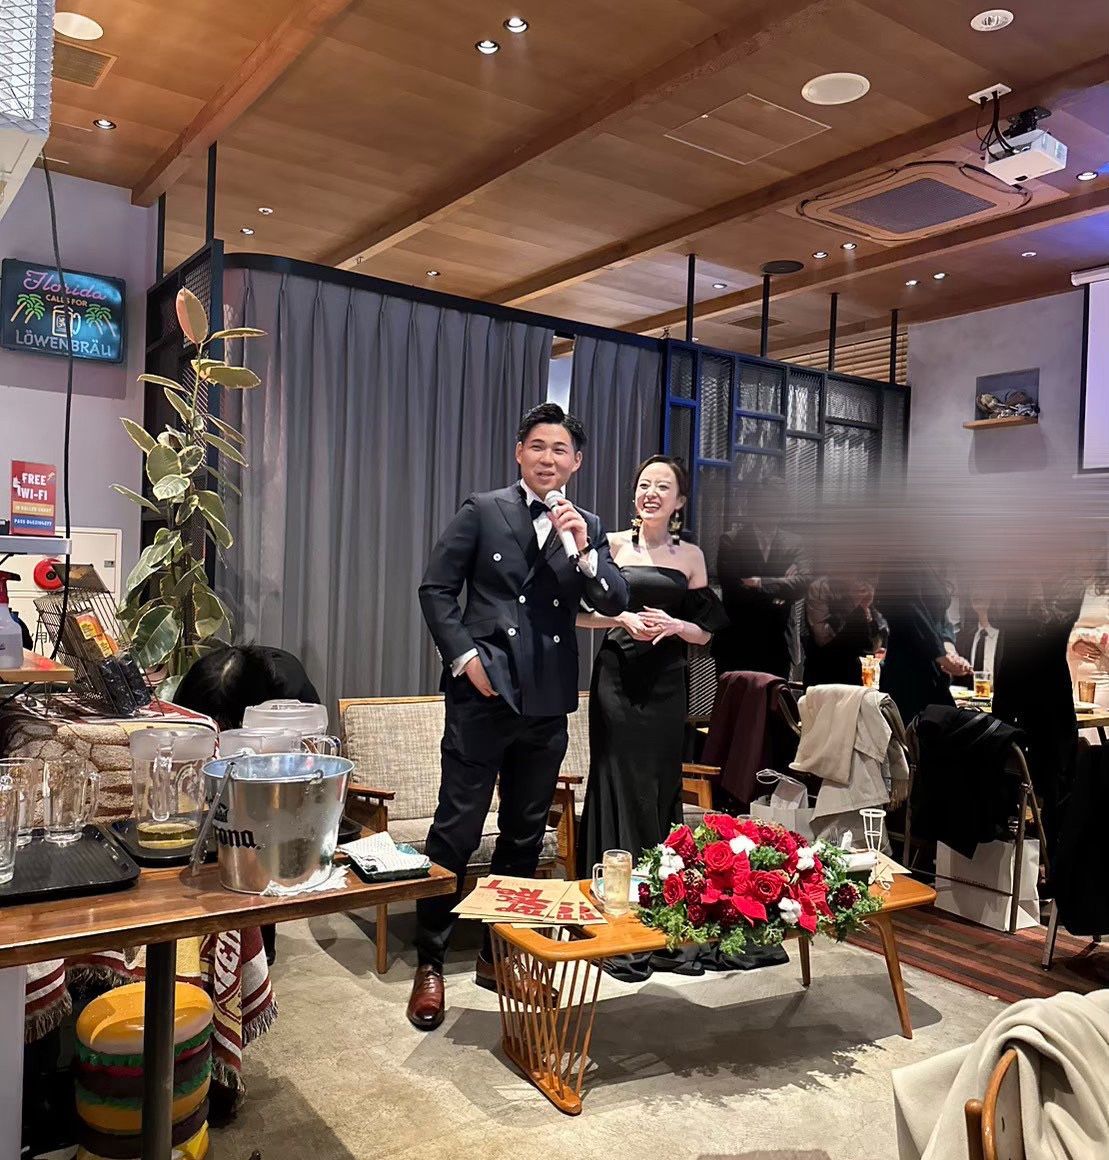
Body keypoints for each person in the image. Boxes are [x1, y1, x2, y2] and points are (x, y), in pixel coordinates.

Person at [409, 402, 629, 1031]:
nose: (547, 458)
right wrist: (465, 659)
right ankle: (430, 962)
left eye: (560, 450)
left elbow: (613, 598)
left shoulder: (586, 525)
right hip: (482, 697)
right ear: (519, 452)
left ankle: (499, 955)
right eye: (537, 446)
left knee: (525, 833)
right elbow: (435, 589)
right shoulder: (483, 509)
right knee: (456, 830)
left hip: (547, 703)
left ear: (576, 462)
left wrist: (585, 551)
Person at [574, 457, 727, 963]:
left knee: (660, 781)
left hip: (667, 681)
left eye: (663, 486)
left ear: (679, 501)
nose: (651, 493)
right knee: (616, 775)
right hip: (617, 676)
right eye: (644, 485)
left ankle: (659, 896)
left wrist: (677, 626)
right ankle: (611, 897)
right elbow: (577, 614)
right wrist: (621, 617)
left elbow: (706, 632)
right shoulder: (611, 545)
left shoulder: (692, 556)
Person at [174, 643, 322, 968]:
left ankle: (260, 949)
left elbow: (309, 762)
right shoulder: (197, 683)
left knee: (262, 843)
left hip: (273, 785)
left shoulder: (291, 695)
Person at [713, 475, 810, 680]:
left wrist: (759, 583)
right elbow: (735, 592)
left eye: (775, 504)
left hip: (778, 644)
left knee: (774, 700)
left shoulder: (795, 543)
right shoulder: (731, 541)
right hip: (737, 641)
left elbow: (803, 583)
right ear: (752, 506)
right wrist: (782, 593)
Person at [878, 564, 971, 727]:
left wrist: (950, 651)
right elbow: (911, 613)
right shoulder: (901, 562)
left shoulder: (931, 566)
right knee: (913, 731)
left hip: (932, 671)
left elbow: (941, 620)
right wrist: (942, 656)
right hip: (908, 670)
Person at [802, 575, 886, 688]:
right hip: (826, 677)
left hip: (856, 680)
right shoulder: (821, 587)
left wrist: (866, 608)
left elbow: (875, 645)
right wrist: (852, 603)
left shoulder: (862, 587)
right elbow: (823, 638)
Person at [953, 587, 1002, 690]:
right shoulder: (964, 637)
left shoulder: (1005, 637)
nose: (976, 593)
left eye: (982, 587)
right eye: (973, 589)